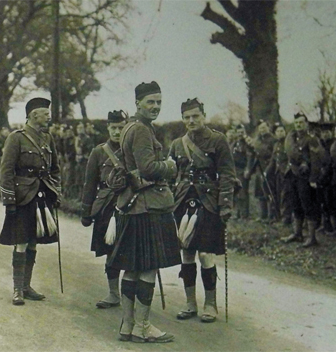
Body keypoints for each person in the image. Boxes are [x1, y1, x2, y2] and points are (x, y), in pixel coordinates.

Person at [108, 81, 179, 343]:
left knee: (132, 268)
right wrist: (170, 166)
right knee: (148, 267)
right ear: (138, 103)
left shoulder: (130, 128)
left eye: (159, 102)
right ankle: (144, 326)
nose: (156, 107)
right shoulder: (141, 130)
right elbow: (148, 168)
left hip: (135, 206)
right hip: (148, 206)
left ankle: (127, 326)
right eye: (151, 102)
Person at [168, 98, 236, 323]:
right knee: (186, 253)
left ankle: (210, 304)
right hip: (183, 203)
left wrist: (225, 204)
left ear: (203, 116)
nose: (191, 120)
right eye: (186, 117)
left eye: (195, 116)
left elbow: (227, 174)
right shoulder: (177, 144)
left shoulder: (218, 140)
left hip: (208, 203)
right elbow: (170, 177)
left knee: (206, 254)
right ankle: (190, 303)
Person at [0, 97, 62, 306]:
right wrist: (9, 200)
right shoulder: (16, 138)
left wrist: (56, 192)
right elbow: (6, 170)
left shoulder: (48, 139)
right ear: (34, 115)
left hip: (42, 195)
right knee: (22, 240)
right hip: (23, 195)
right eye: (46, 114)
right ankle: (17, 289)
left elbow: (55, 169)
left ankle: (26, 286)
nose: (49, 117)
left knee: (34, 240)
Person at [80, 110, 127, 309]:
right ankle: (114, 293)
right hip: (107, 207)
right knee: (110, 250)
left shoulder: (134, 149)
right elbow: (89, 183)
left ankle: (132, 295)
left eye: (121, 127)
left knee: (132, 250)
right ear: (108, 128)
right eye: (114, 128)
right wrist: (86, 211)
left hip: (130, 205)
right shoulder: (99, 152)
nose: (117, 132)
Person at [282, 113, 326, 247]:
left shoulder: (311, 139)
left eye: (301, 123)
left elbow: (316, 160)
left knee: (308, 205)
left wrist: (313, 178)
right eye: (296, 123)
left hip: (305, 178)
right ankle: (297, 233)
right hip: (292, 175)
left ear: (306, 124)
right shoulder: (291, 138)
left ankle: (312, 238)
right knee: (295, 204)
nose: (299, 125)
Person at [244, 120, 276, 222]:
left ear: (268, 128)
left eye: (264, 127)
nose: (262, 130)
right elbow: (253, 153)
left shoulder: (273, 140)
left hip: (269, 167)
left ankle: (272, 216)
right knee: (260, 192)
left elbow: (273, 155)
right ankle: (263, 215)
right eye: (260, 128)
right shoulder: (257, 140)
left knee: (269, 191)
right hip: (259, 168)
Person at [265, 122, 292, 225]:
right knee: (277, 194)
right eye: (278, 131)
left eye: (282, 131)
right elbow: (273, 159)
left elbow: (290, 158)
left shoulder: (288, 143)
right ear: (275, 133)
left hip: (287, 173)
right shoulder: (276, 144)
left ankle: (287, 218)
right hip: (278, 173)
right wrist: (267, 171)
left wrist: (287, 170)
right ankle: (278, 216)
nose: (280, 133)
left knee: (286, 196)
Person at [230, 124, 250, 219]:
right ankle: (237, 213)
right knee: (235, 192)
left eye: (242, 132)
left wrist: (247, 169)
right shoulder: (234, 143)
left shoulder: (247, 143)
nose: (240, 134)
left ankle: (244, 214)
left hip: (242, 169)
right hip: (234, 170)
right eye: (238, 132)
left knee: (243, 192)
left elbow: (249, 157)